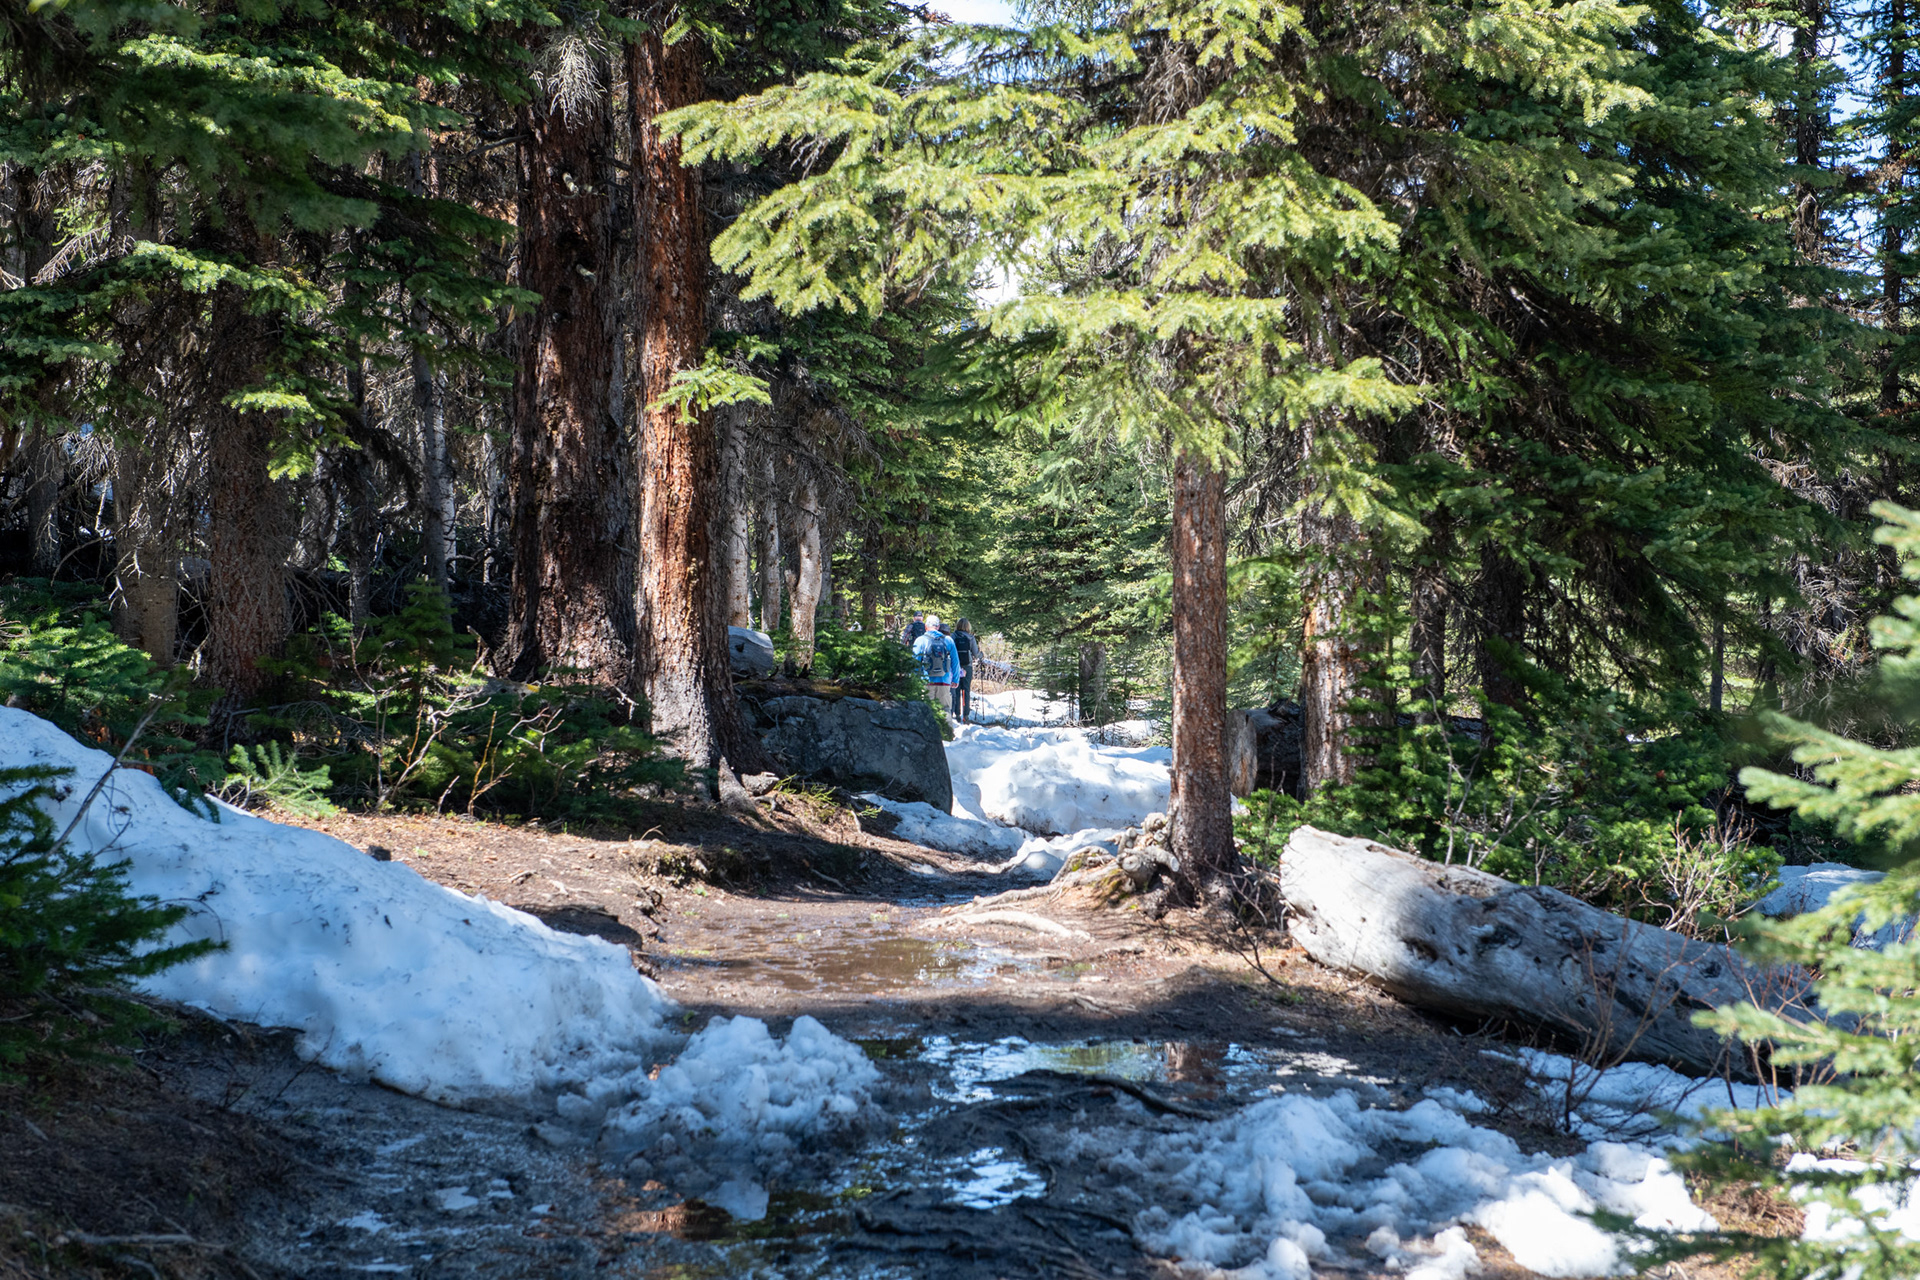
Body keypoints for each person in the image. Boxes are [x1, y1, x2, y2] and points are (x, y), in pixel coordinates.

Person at [912, 615, 961, 709]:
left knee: (926, 712)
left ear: (925, 626)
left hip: (925, 682)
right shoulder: (948, 640)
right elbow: (955, 661)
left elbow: (915, 662)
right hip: (944, 681)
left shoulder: (920, 640)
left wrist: (914, 681)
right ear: (938, 627)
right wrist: (955, 679)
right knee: (945, 711)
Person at [950, 618, 977, 722]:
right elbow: (975, 653)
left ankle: (956, 714)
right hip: (967, 666)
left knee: (955, 688)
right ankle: (966, 715)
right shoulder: (971, 638)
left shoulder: (953, 636)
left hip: (955, 666)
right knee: (966, 690)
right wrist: (981, 655)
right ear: (968, 626)